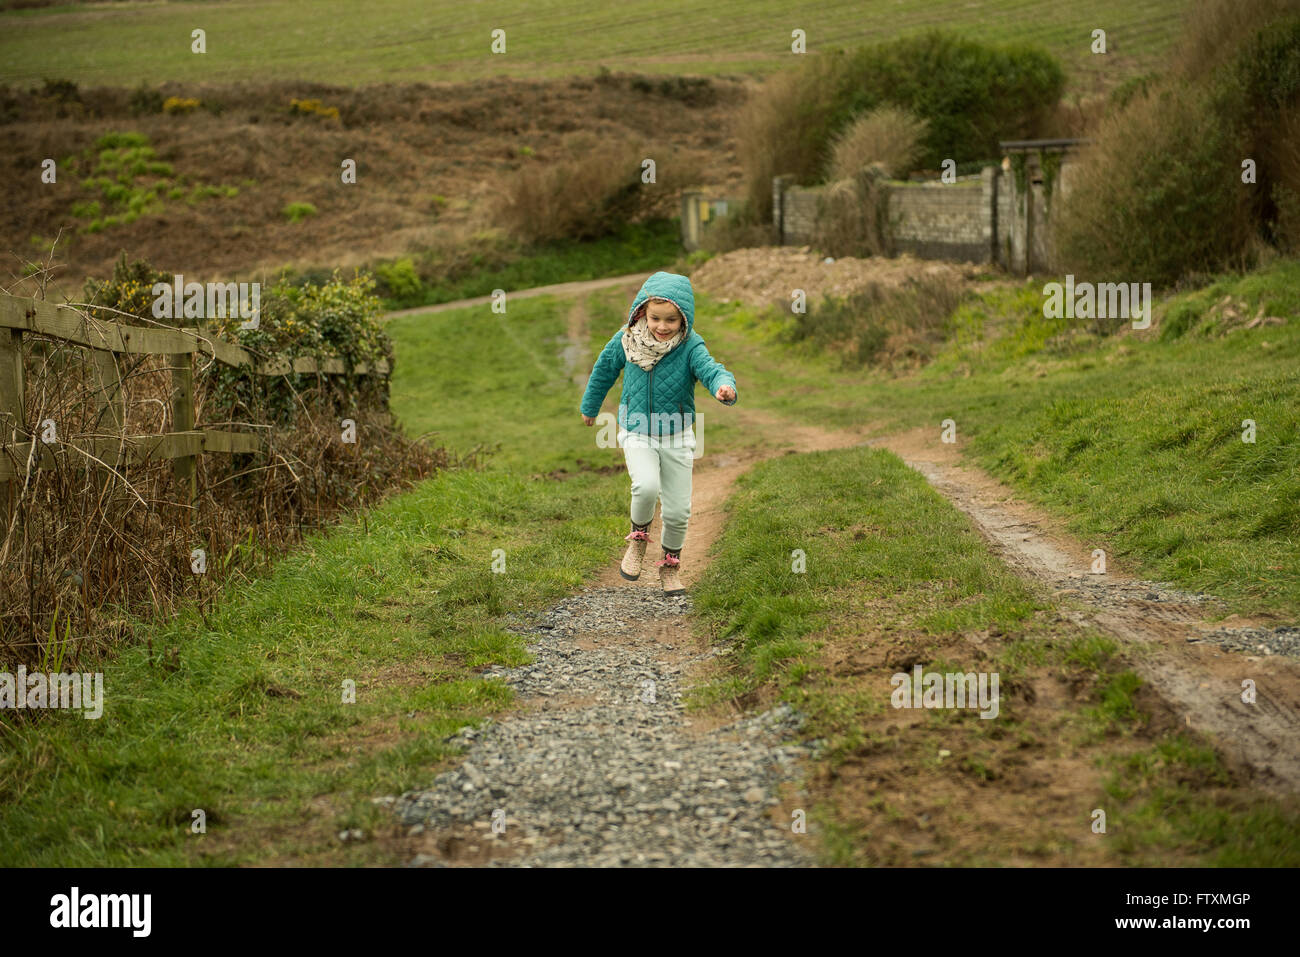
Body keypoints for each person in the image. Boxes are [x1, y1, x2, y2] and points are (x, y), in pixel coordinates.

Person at [579, 271, 738, 596]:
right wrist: (590, 406)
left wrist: (725, 386)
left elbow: (711, 368)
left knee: (678, 511)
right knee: (646, 486)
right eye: (655, 318)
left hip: (677, 436)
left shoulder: (691, 346)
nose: (662, 327)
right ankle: (637, 540)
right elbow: (603, 370)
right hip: (637, 431)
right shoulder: (625, 339)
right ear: (641, 312)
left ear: (684, 319)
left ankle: (670, 566)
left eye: (671, 320)